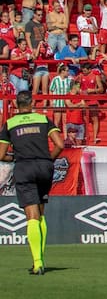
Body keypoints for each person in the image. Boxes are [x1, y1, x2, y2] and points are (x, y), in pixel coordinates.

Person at [0, 90, 64, 274]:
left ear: (16, 104)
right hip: (44, 167)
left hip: (25, 167)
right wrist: (47, 159)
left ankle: (37, 262)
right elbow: (60, 144)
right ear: (32, 103)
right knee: (41, 213)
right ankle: (41, 257)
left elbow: (1, 155)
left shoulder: (10, 124)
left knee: (32, 216)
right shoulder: (43, 119)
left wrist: (15, 156)